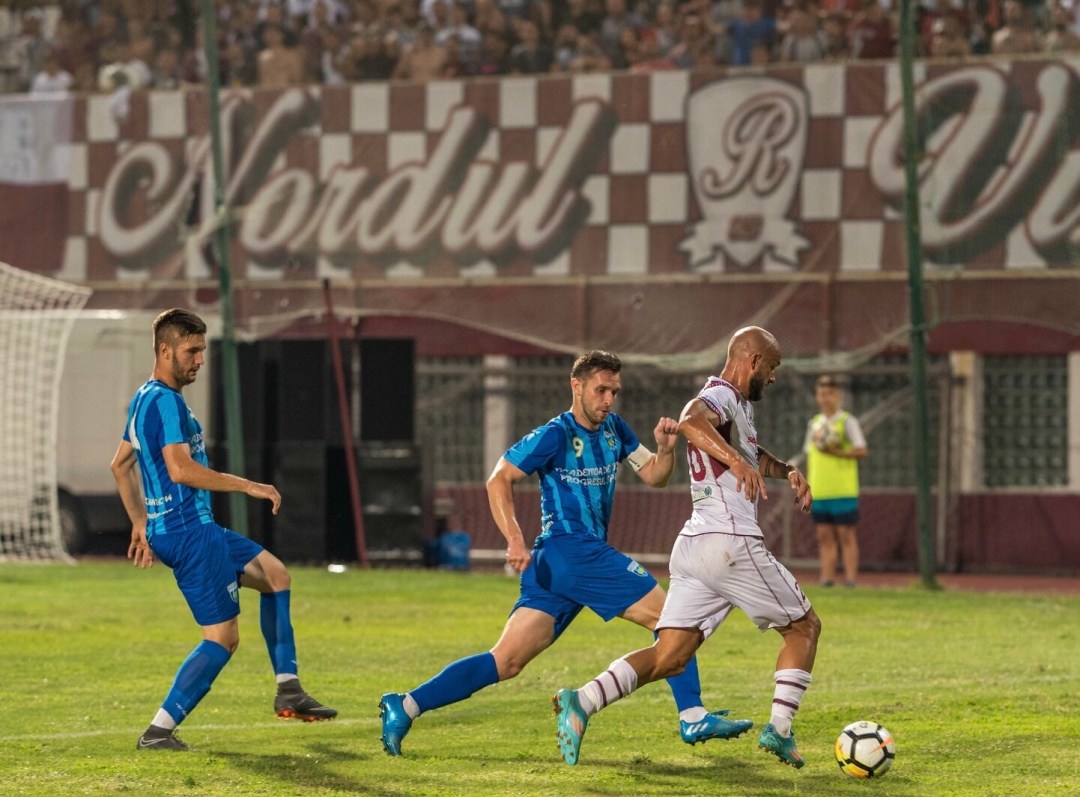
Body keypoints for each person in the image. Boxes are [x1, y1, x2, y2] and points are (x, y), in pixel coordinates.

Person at [378, 350, 752, 756]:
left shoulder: (616, 429)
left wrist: (664, 450)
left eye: (614, 392)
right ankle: (692, 714)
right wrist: (514, 539)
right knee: (674, 620)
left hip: (557, 566)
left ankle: (406, 705)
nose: (608, 400)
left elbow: (654, 477)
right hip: (571, 550)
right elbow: (498, 479)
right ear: (576, 386)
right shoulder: (554, 434)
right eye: (601, 390)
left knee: (506, 661)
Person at [553, 327, 819, 769]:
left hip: (696, 545)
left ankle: (582, 700)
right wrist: (733, 461)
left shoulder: (738, 407)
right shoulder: (719, 394)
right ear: (753, 361)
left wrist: (787, 469)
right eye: (772, 367)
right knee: (804, 628)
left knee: (670, 657)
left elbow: (748, 455)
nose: (772, 377)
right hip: (729, 542)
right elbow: (691, 421)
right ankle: (781, 729)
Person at [110, 309, 336, 751]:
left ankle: (289, 689)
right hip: (190, 533)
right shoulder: (167, 402)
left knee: (276, 576)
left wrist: (140, 523)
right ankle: (158, 731)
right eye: (191, 351)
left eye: (202, 351)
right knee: (222, 638)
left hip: (183, 529)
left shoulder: (144, 398)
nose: (199, 360)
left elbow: (119, 465)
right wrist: (249, 485)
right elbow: (180, 469)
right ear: (165, 350)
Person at [805, 374, 868, 588]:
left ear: (838, 396)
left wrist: (837, 452)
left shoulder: (847, 421)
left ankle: (850, 580)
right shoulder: (814, 424)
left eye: (830, 393)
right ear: (817, 397)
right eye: (822, 394)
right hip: (819, 489)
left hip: (843, 489)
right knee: (824, 536)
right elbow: (810, 453)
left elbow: (862, 451)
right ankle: (827, 578)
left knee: (846, 536)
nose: (826, 398)